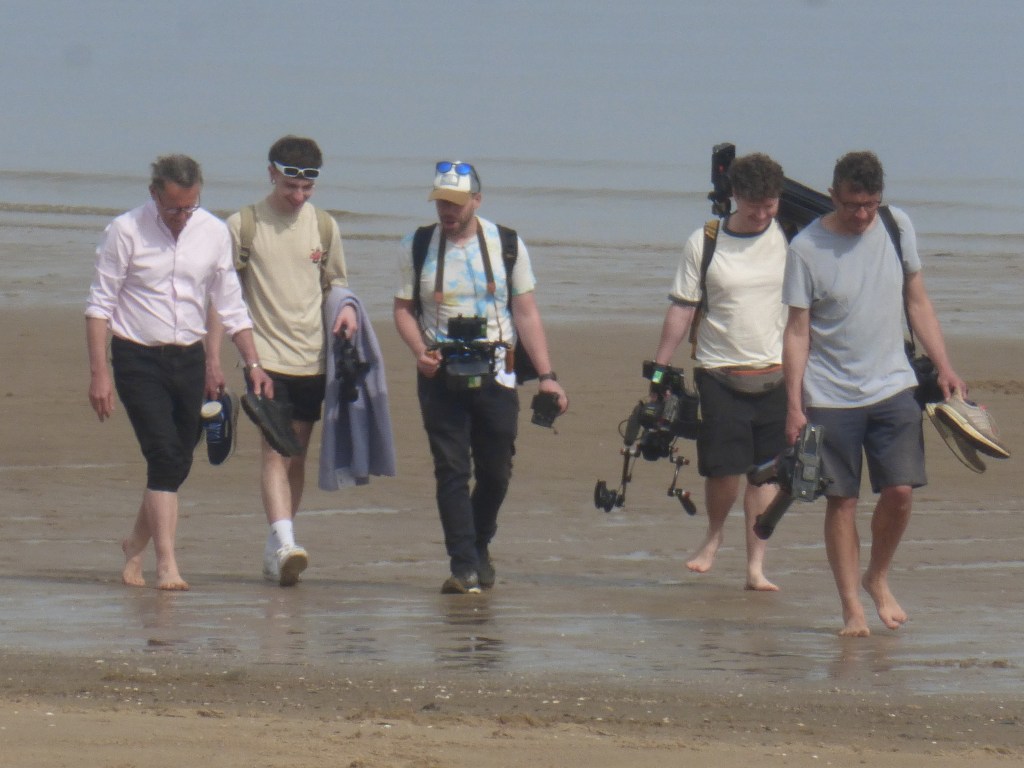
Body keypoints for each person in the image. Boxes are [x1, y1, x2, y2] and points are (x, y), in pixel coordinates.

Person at [782, 150, 966, 637]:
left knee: (900, 492)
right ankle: (851, 609)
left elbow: (917, 299)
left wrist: (945, 365)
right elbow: (797, 332)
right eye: (851, 205)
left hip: (893, 385)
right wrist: (794, 406)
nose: (861, 215)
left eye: (869, 204)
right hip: (829, 393)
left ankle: (877, 577)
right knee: (841, 501)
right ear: (832, 195)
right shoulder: (805, 248)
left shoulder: (896, 225)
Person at [85, 154, 272, 591]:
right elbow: (99, 306)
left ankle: (134, 543)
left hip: (189, 358)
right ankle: (166, 564)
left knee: (178, 458)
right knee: (164, 454)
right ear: (154, 195)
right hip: (137, 357)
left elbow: (229, 304)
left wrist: (251, 362)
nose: (182, 217)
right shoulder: (125, 230)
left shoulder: (212, 232)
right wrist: (99, 374)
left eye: (190, 206)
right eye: (173, 208)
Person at [393, 160, 568, 594]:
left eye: (455, 203)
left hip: (497, 372)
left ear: (476, 200)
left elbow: (525, 312)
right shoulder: (417, 245)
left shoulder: (506, 243)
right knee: (451, 469)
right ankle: (463, 566)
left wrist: (547, 375)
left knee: (496, 471)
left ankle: (479, 543)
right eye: (441, 203)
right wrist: (420, 352)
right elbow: (403, 310)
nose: (447, 212)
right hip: (439, 373)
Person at [206, 136, 355, 587]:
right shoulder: (243, 225)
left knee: (296, 455)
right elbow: (220, 298)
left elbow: (337, 284)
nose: (298, 197)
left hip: (314, 360)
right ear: (272, 173)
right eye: (291, 186)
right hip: (264, 359)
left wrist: (347, 310)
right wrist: (214, 359)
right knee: (274, 450)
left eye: (307, 189)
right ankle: (287, 541)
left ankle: (276, 547)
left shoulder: (325, 227)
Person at [652, 152, 788, 591]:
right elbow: (682, 306)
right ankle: (713, 536)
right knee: (723, 468)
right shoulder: (706, 240)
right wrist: (661, 365)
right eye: (754, 207)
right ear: (734, 197)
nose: (763, 214)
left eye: (770, 205)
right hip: (718, 369)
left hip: (775, 369)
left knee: (766, 471)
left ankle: (756, 566)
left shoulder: (791, 237)